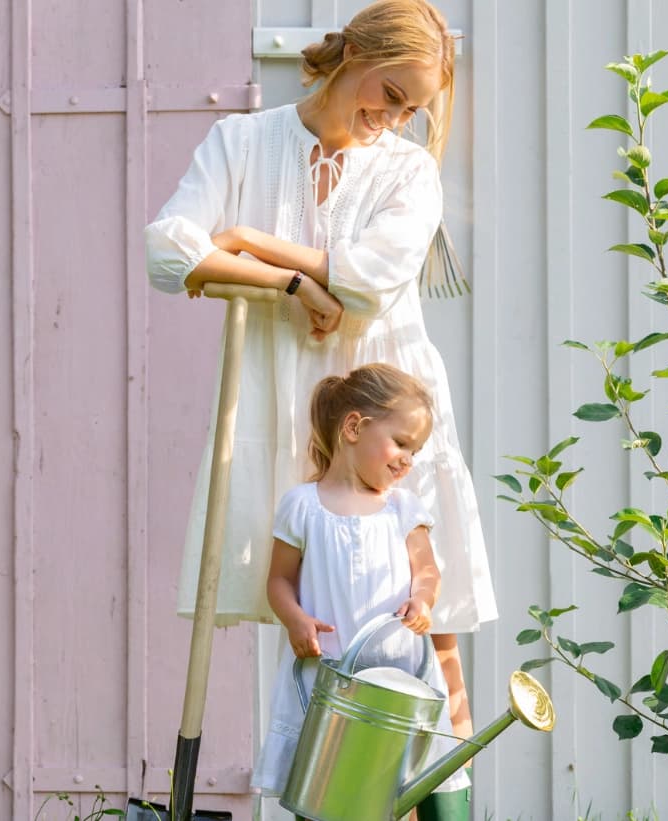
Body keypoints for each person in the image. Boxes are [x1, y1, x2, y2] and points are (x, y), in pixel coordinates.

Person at [143, 0, 495, 752]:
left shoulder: (408, 170)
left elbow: (368, 280)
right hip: (281, 394)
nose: (393, 119)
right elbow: (168, 251)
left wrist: (247, 241)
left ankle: (441, 786)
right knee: (317, 605)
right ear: (353, 54)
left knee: (420, 617)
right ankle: (328, 788)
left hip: (382, 394)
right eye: (390, 93)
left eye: (412, 109)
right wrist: (291, 284)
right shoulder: (241, 141)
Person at [253, 364, 467, 818]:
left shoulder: (402, 508)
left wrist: (423, 598)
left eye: (416, 450)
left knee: (430, 779)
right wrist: (294, 618)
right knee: (325, 784)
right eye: (402, 443)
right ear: (353, 427)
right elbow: (279, 580)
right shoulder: (302, 506)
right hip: (330, 676)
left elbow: (427, 570)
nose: (409, 459)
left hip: (403, 675)